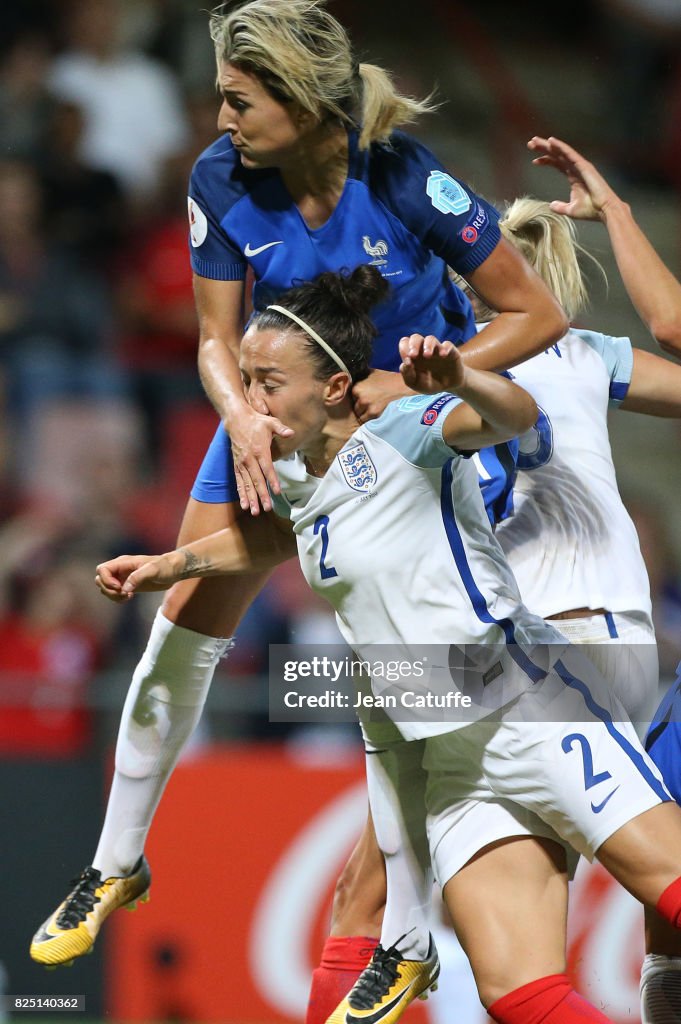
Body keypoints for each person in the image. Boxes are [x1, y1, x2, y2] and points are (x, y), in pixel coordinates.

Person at [29, 0, 567, 969]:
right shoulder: (218, 178)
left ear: (306, 99)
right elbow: (211, 338)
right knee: (180, 621)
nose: (222, 119)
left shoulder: (404, 176)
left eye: (241, 101)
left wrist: (415, 379)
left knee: (392, 685)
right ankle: (116, 862)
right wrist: (238, 411)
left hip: (410, 442)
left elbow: (534, 314)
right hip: (278, 420)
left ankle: (408, 931)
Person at [88, 263, 681, 1024]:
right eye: (242, 379)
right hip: (452, 766)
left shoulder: (405, 429)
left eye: (267, 381)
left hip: (527, 708)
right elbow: (273, 537)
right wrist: (171, 564)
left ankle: (401, 945)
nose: (247, 401)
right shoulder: (302, 480)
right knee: (515, 991)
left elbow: (509, 417)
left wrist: (463, 375)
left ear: (332, 389)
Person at [306, 136, 681, 1024]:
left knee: (361, 882)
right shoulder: (583, 350)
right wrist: (622, 217)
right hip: (612, 641)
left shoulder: (411, 385)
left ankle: (397, 935)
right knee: (524, 979)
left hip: (523, 661)